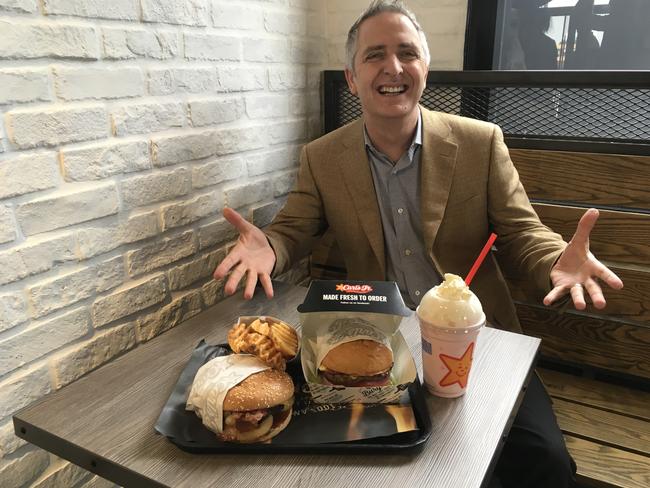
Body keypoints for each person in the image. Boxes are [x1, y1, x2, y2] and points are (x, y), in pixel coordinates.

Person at [213, 1, 623, 486]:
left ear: (425, 68)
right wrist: (272, 247)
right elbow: (293, 228)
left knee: (545, 465)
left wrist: (555, 259)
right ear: (351, 76)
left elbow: (522, 232)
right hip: (378, 345)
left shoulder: (480, 142)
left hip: (476, 341)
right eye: (375, 55)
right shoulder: (323, 157)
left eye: (407, 53)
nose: (393, 68)